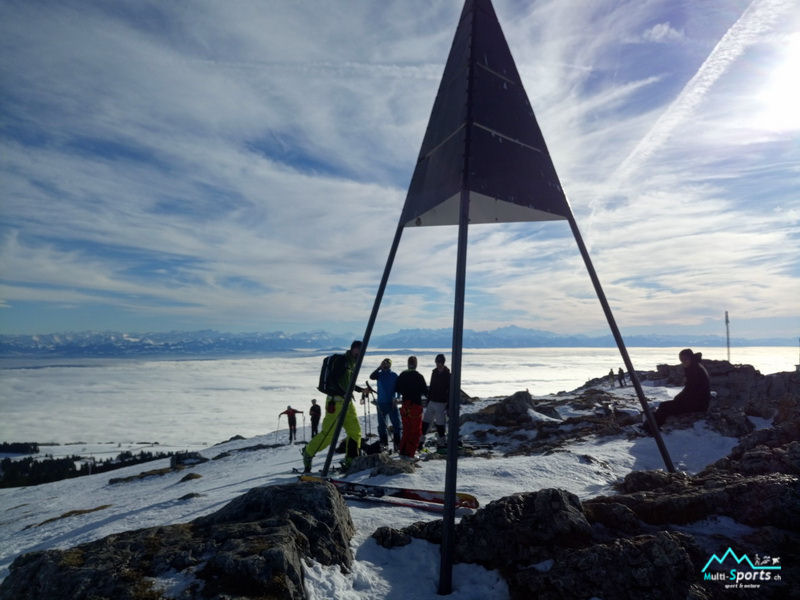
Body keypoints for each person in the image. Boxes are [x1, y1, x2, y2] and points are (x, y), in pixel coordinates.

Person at [302, 341, 364, 472]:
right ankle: (308, 452)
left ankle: (351, 460)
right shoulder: (342, 361)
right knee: (328, 435)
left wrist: (360, 390)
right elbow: (332, 380)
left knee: (355, 432)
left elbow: (348, 382)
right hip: (335, 403)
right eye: (359, 350)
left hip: (347, 403)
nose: (360, 354)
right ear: (353, 349)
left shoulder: (351, 363)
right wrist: (344, 393)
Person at [648, 348, 711, 431]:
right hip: (698, 402)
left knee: (664, 406)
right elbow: (690, 389)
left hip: (698, 404)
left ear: (691, 358)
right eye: (681, 359)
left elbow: (691, 390)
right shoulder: (695, 366)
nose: (683, 362)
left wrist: (679, 399)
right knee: (665, 406)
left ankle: (652, 429)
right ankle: (650, 426)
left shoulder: (694, 370)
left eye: (685, 359)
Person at [395, 355, 428, 460]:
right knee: (415, 431)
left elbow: (397, 388)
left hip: (405, 405)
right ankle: (410, 454)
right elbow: (425, 391)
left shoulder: (402, 375)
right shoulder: (418, 376)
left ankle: (403, 452)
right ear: (416, 364)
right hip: (415, 406)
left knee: (406, 430)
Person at [369, 358, 401, 451]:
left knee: (397, 425)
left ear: (390, 365)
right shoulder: (379, 375)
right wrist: (379, 367)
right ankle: (384, 444)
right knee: (382, 426)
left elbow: (399, 388)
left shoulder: (394, 375)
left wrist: (397, 397)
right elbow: (371, 376)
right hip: (382, 404)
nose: (385, 365)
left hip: (391, 403)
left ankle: (397, 445)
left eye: (387, 364)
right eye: (384, 364)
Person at [421, 354, 450, 449]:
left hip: (441, 402)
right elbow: (432, 386)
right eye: (437, 362)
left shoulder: (447, 374)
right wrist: (428, 400)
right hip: (432, 401)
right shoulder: (434, 372)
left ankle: (442, 443)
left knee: (440, 424)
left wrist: (448, 404)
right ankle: (420, 442)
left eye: (440, 362)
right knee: (425, 422)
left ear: (443, 363)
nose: (438, 364)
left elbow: (449, 390)